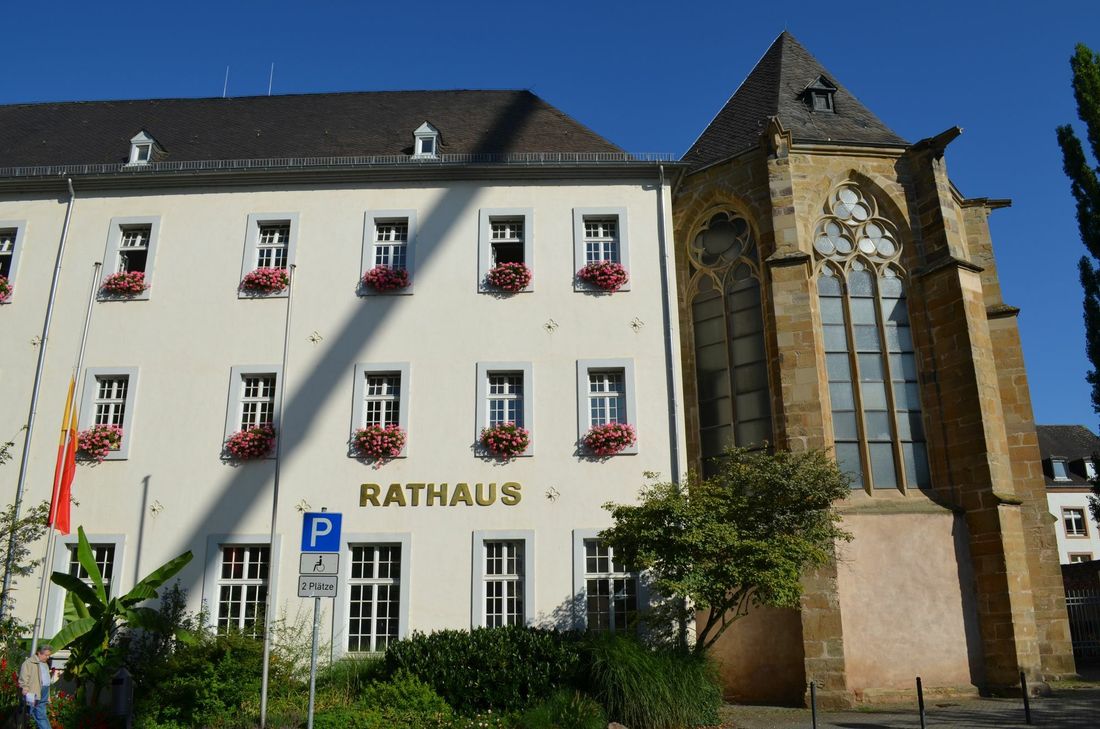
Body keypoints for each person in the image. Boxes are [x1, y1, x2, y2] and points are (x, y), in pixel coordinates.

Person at [18, 645, 56, 729]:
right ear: (39, 653)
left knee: (39, 713)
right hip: (34, 692)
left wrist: (48, 694)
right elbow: (23, 677)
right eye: (46, 655)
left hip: (44, 691)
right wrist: (24, 686)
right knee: (36, 713)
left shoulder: (45, 663)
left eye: (49, 655)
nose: (48, 657)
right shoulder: (29, 663)